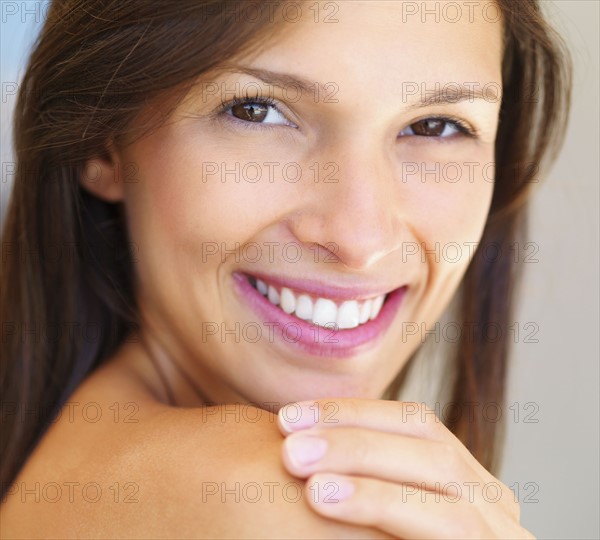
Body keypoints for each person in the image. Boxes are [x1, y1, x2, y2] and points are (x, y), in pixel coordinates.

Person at [0, 0, 571, 537]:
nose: (359, 237)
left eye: (437, 126)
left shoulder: (59, 466)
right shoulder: (295, 507)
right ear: (101, 145)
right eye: (257, 111)